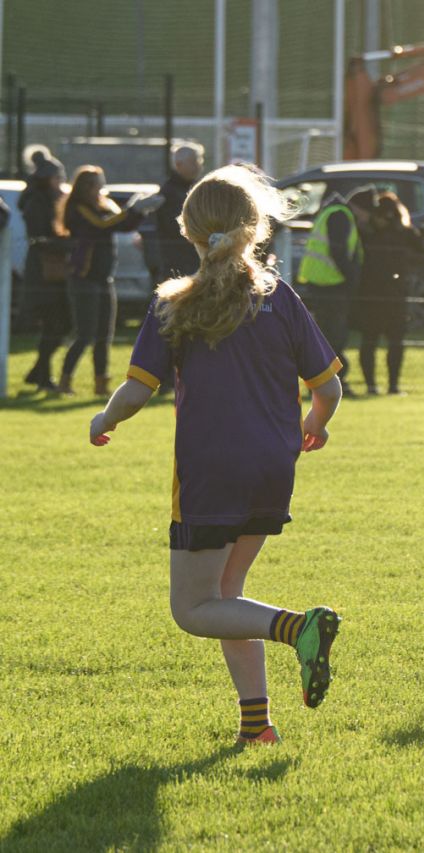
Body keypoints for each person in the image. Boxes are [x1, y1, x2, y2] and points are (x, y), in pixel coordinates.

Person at [87, 165, 344, 744]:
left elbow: (135, 392)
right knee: (227, 594)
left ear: (189, 231)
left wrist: (103, 420)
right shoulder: (281, 299)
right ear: (256, 229)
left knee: (193, 609)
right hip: (273, 467)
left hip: (210, 472)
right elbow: (327, 389)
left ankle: (298, 627)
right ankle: (257, 726)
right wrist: (315, 427)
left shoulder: (176, 303)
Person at [59, 165, 159, 396]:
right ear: (85, 187)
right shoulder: (78, 208)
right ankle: (65, 380)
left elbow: (122, 224)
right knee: (85, 334)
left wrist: (138, 211)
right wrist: (132, 209)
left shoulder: (103, 204)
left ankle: (101, 384)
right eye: (96, 184)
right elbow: (101, 225)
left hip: (104, 278)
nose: (100, 188)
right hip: (84, 278)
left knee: (105, 335)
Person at [296, 187, 373, 395]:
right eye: (367, 214)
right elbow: (338, 251)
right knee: (334, 335)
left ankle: (326, 381)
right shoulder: (341, 216)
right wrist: (351, 279)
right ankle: (333, 382)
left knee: (329, 335)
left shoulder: (333, 213)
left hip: (323, 282)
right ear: (360, 209)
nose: (366, 220)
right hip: (331, 284)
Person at [356, 191, 424, 395]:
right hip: (395, 293)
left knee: (370, 340)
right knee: (395, 341)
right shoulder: (403, 232)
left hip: (371, 292)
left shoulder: (367, 232)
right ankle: (393, 385)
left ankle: (372, 385)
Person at [20, 147, 71, 393]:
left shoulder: (45, 199)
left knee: (59, 325)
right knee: (54, 324)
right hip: (45, 271)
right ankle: (42, 375)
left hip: (51, 270)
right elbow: (41, 236)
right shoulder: (37, 202)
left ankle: (39, 372)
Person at [155, 142, 205, 279]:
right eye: (194, 162)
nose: (199, 166)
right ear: (179, 164)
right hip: (178, 260)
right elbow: (173, 225)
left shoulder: (193, 188)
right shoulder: (170, 192)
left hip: (190, 257)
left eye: (200, 161)